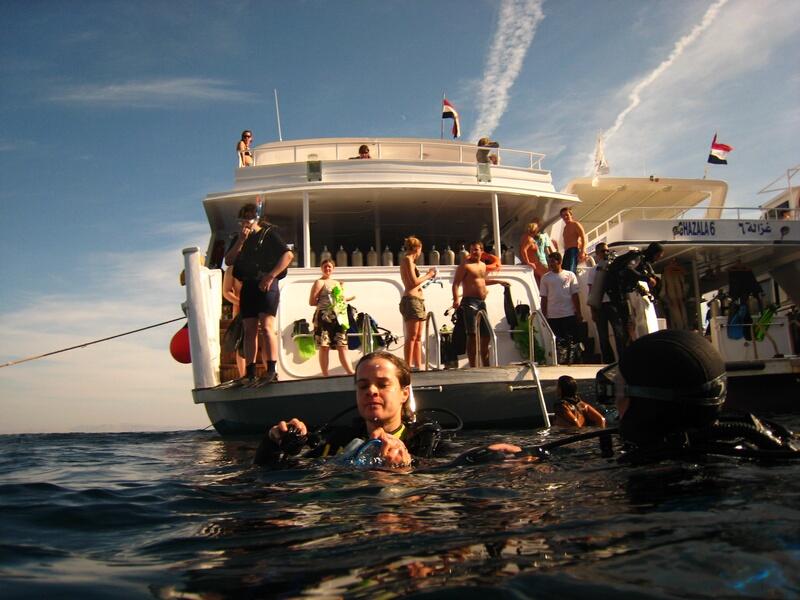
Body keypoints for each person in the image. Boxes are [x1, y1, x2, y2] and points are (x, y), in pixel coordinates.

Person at [254, 352, 421, 467]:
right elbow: (268, 475)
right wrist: (274, 443)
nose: (371, 391)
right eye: (363, 386)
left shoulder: (428, 445)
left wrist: (403, 468)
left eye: (383, 384)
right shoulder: (338, 444)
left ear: (404, 394)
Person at [225, 202, 293, 383]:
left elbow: (288, 255)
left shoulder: (268, 235)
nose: (245, 222)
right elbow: (229, 260)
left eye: (249, 218)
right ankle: (250, 372)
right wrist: (240, 240)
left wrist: (270, 276)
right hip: (248, 286)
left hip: (266, 284)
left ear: (256, 219)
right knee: (249, 330)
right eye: (243, 219)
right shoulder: (239, 238)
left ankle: (271, 370)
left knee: (266, 326)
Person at [452, 240, 510, 367]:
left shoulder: (483, 265)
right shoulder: (465, 265)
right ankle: (473, 366)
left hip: (481, 302)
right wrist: (456, 299)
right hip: (469, 302)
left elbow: (482, 281)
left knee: (486, 335)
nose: (473, 252)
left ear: (481, 251)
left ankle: (486, 364)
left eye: (476, 249)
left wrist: (498, 281)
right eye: (471, 249)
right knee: (472, 334)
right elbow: (456, 283)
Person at [309, 259, 355, 376]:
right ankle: (325, 374)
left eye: (329, 267)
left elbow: (341, 300)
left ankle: (350, 372)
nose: (327, 269)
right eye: (325, 266)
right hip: (324, 316)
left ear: (333, 268)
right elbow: (312, 301)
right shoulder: (319, 282)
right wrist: (328, 303)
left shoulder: (337, 283)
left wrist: (348, 298)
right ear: (321, 268)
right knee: (324, 346)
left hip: (339, 316)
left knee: (342, 345)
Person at [399, 236, 437, 370]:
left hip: (418, 300)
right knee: (412, 336)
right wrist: (429, 275)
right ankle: (407, 366)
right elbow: (413, 282)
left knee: (418, 336)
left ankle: (418, 365)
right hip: (411, 300)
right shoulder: (407, 260)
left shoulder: (411, 262)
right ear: (417, 248)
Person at [539, 251, 582, 349]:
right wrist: (544, 316)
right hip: (553, 316)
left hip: (569, 314)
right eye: (549, 262)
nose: (550, 264)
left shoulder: (570, 275)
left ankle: (572, 361)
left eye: (552, 261)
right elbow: (544, 298)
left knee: (571, 340)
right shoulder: (545, 278)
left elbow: (575, 295)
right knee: (558, 342)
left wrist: (578, 312)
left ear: (559, 262)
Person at [586, 242, 616, 363]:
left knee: (619, 333)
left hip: (613, 304)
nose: (606, 253)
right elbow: (591, 291)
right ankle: (609, 361)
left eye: (607, 251)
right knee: (603, 336)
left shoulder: (613, 267)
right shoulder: (593, 271)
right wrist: (592, 311)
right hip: (600, 305)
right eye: (603, 251)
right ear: (597, 254)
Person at [559, 207, 587, 274]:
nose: (565, 217)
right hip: (567, 252)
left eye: (567, 215)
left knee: (570, 272)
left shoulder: (575, 224)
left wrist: (583, 251)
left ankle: (572, 284)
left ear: (571, 215)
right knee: (564, 272)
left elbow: (583, 237)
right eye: (563, 216)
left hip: (573, 251)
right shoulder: (565, 228)